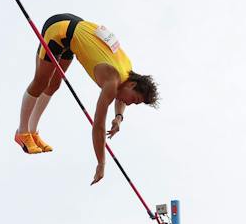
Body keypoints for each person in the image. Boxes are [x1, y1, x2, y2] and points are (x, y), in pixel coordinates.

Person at [14, 14, 159, 183]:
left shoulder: (127, 72)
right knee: (41, 82)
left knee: (53, 85)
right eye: (134, 100)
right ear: (133, 86)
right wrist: (101, 163)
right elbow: (98, 125)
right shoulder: (112, 81)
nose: (129, 103)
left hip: (72, 36)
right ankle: (22, 132)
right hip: (59, 30)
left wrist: (119, 117)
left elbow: (122, 97)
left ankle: (32, 131)